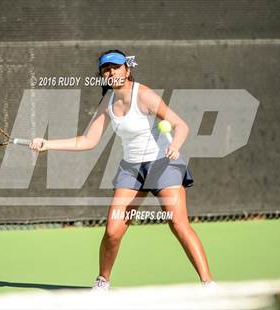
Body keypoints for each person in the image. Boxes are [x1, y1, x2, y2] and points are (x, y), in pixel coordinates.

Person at [29, 50, 217, 291]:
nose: (111, 72)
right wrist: (48, 144)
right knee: (113, 230)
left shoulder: (144, 94)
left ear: (127, 70)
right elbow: (88, 140)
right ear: (102, 75)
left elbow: (181, 125)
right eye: (106, 70)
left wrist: (175, 145)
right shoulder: (107, 103)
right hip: (132, 170)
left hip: (164, 164)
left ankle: (208, 283)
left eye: (115, 67)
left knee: (178, 223)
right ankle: (102, 281)